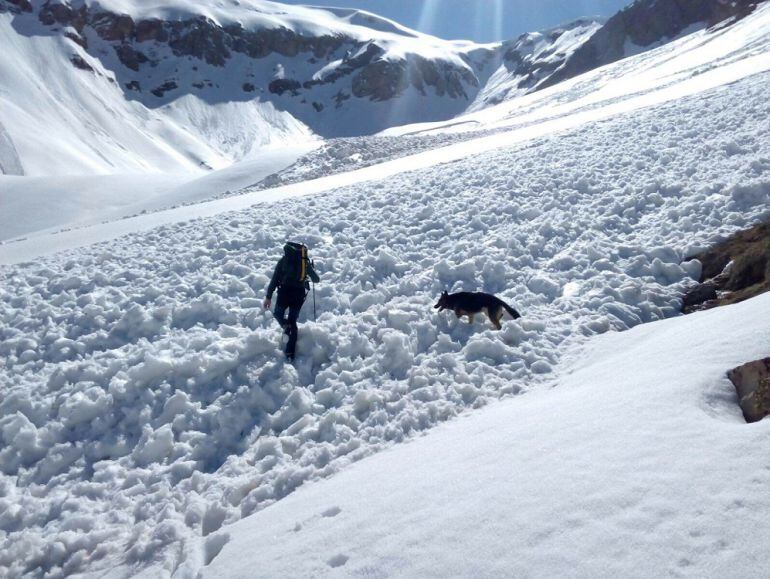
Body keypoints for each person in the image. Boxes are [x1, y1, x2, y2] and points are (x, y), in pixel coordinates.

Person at [263, 242, 320, 360]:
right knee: (292, 321)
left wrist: (268, 297)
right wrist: (311, 269)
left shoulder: (283, 260)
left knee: (278, 314)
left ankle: (286, 326)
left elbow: (274, 280)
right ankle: (290, 353)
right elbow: (316, 279)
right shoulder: (304, 262)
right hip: (298, 294)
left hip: (284, 293)